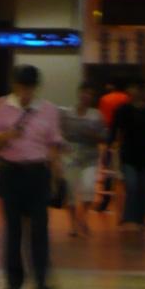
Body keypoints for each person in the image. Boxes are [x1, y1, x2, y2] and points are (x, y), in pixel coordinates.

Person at [0, 65, 63, 289]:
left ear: (35, 87)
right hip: (10, 171)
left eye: (29, 87)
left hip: (38, 172)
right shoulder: (1, 106)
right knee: (13, 229)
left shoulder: (48, 110)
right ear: (14, 85)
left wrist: (55, 177)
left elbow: (53, 145)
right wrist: (8, 135)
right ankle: (14, 280)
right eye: (21, 87)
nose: (25, 92)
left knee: (40, 228)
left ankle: (40, 279)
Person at [109, 77, 145, 231]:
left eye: (133, 87)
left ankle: (140, 219)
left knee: (142, 187)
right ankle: (129, 218)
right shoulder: (123, 109)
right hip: (128, 152)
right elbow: (115, 128)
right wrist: (111, 143)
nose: (130, 91)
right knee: (131, 185)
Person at [60, 83, 105, 237]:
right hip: (70, 156)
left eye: (90, 94)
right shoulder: (68, 113)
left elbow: (104, 136)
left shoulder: (96, 115)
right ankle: (73, 224)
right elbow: (60, 133)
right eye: (84, 93)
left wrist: (94, 136)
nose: (86, 96)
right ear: (79, 93)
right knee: (71, 190)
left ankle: (83, 217)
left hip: (90, 157)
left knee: (89, 188)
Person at [93, 80, 130, 213]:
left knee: (107, 167)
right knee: (123, 169)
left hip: (109, 134)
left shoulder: (105, 99)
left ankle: (105, 201)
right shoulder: (128, 99)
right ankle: (125, 203)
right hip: (125, 136)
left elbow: (101, 118)